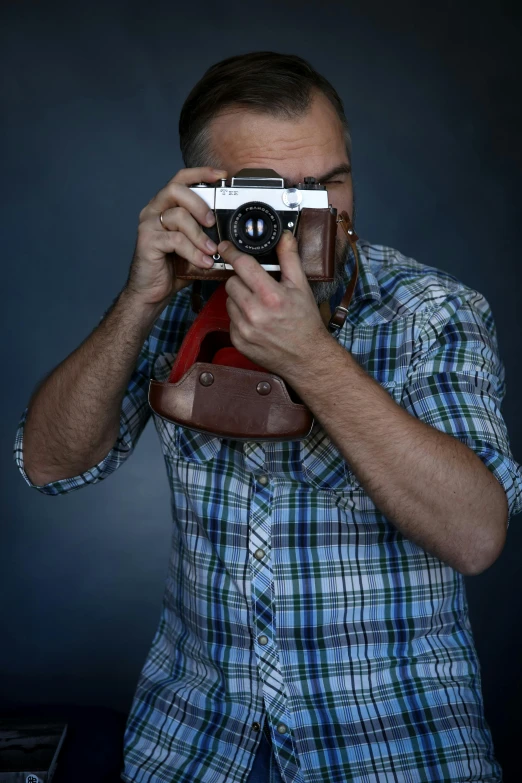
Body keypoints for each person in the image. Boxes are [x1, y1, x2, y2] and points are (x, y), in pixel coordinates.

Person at [13, 51, 522, 783]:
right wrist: (138, 301)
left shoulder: (432, 311)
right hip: (195, 744)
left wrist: (314, 362)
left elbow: (476, 534)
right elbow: (48, 465)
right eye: (275, 195)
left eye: (331, 182)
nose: (315, 212)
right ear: (200, 195)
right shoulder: (176, 296)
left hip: (393, 743)